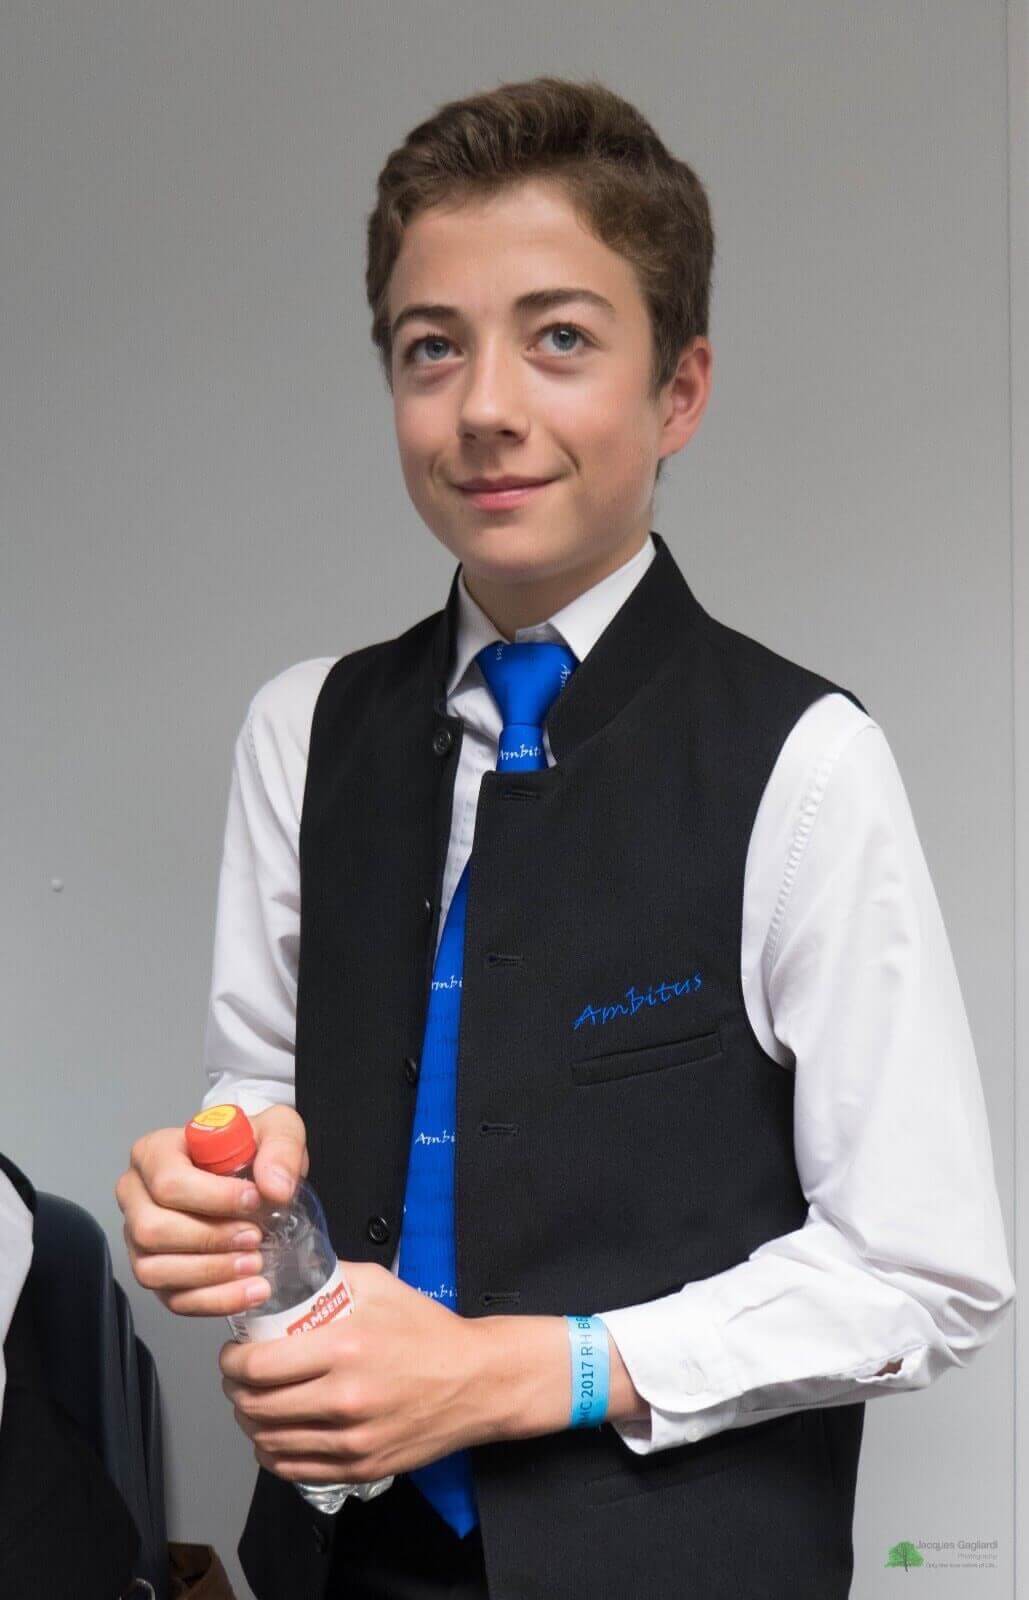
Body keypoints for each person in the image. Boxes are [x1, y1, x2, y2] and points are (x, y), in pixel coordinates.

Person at [116, 76, 1015, 1599]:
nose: (484, 406)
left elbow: (923, 1270)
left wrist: (532, 1372)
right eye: (431, 346)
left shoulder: (804, 761)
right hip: (338, 1562)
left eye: (560, 339)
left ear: (680, 391)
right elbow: (259, 1089)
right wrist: (221, 1191)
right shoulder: (299, 729)